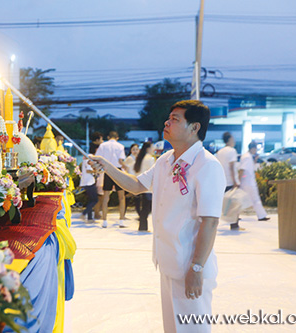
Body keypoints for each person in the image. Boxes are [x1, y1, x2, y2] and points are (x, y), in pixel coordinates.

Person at [89, 100, 225, 332]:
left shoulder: (207, 165)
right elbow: (136, 185)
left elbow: (210, 222)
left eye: (175, 119)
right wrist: (107, 166)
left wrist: (197, 268)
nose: (167, 122)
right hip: (169, 260)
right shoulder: (165, 160)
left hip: (190, 264)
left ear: (195, 128)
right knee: (172, 328)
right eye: (169, 117)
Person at [95, 131, 126, 228]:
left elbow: (97, 157)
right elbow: (121, 160)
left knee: (106, 197)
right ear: (117, 138)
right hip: (117, 170)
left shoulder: (103, 145)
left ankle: (104, 221)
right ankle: (121, 220)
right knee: (121, 197)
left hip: (107, 170)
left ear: (108, 137)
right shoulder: (120, 146)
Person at [216, 132, 242, 230]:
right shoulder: (232, 151)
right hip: (231, 181)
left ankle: (232, 222)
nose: (234, 141)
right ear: (230, 139)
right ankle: (234, 224)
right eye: (233, 139)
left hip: (223, 180)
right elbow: (231, 167)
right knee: (235, 203)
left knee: (227, 203)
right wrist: (235, 181)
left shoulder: (220, 152)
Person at [239, 141, 270, 221]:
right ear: (252, 148)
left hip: (247, 182)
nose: (256, 151)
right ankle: (261, 216)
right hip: (248, 182)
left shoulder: (248, 156)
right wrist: (238, 181)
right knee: (255, 199)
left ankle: (235, 216)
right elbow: (242, 169)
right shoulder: (247, 157)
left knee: (242, 200)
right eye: (255, 149)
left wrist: (255, 160)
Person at [133, 142, 156, 231]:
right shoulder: (150, 159)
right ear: (148, 148)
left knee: (145, 207)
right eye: (152, 147)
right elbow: (153, 173)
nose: (153, 149)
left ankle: (143, 226)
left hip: (141, 185)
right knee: (147, 208)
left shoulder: (140, 158)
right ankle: (143, 227)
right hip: (148, 187)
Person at [80, 152, 98, 222]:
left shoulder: (84, 161)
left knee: (90, 200)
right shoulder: (88, 161)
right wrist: (95, 171)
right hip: (90, 182)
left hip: (85, 182)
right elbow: (88, 170)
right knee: (94, 200)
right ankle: (84, 213)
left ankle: (90, 218)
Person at [90, 131, 104, 220]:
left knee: (98, 196)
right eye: (101, 139)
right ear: (97, 140)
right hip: (98, 176)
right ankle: (97, 212)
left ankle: (97, 212)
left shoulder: (91, 150)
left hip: (95, 176)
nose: (102, 141)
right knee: (100, 195)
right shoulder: (97, 150)